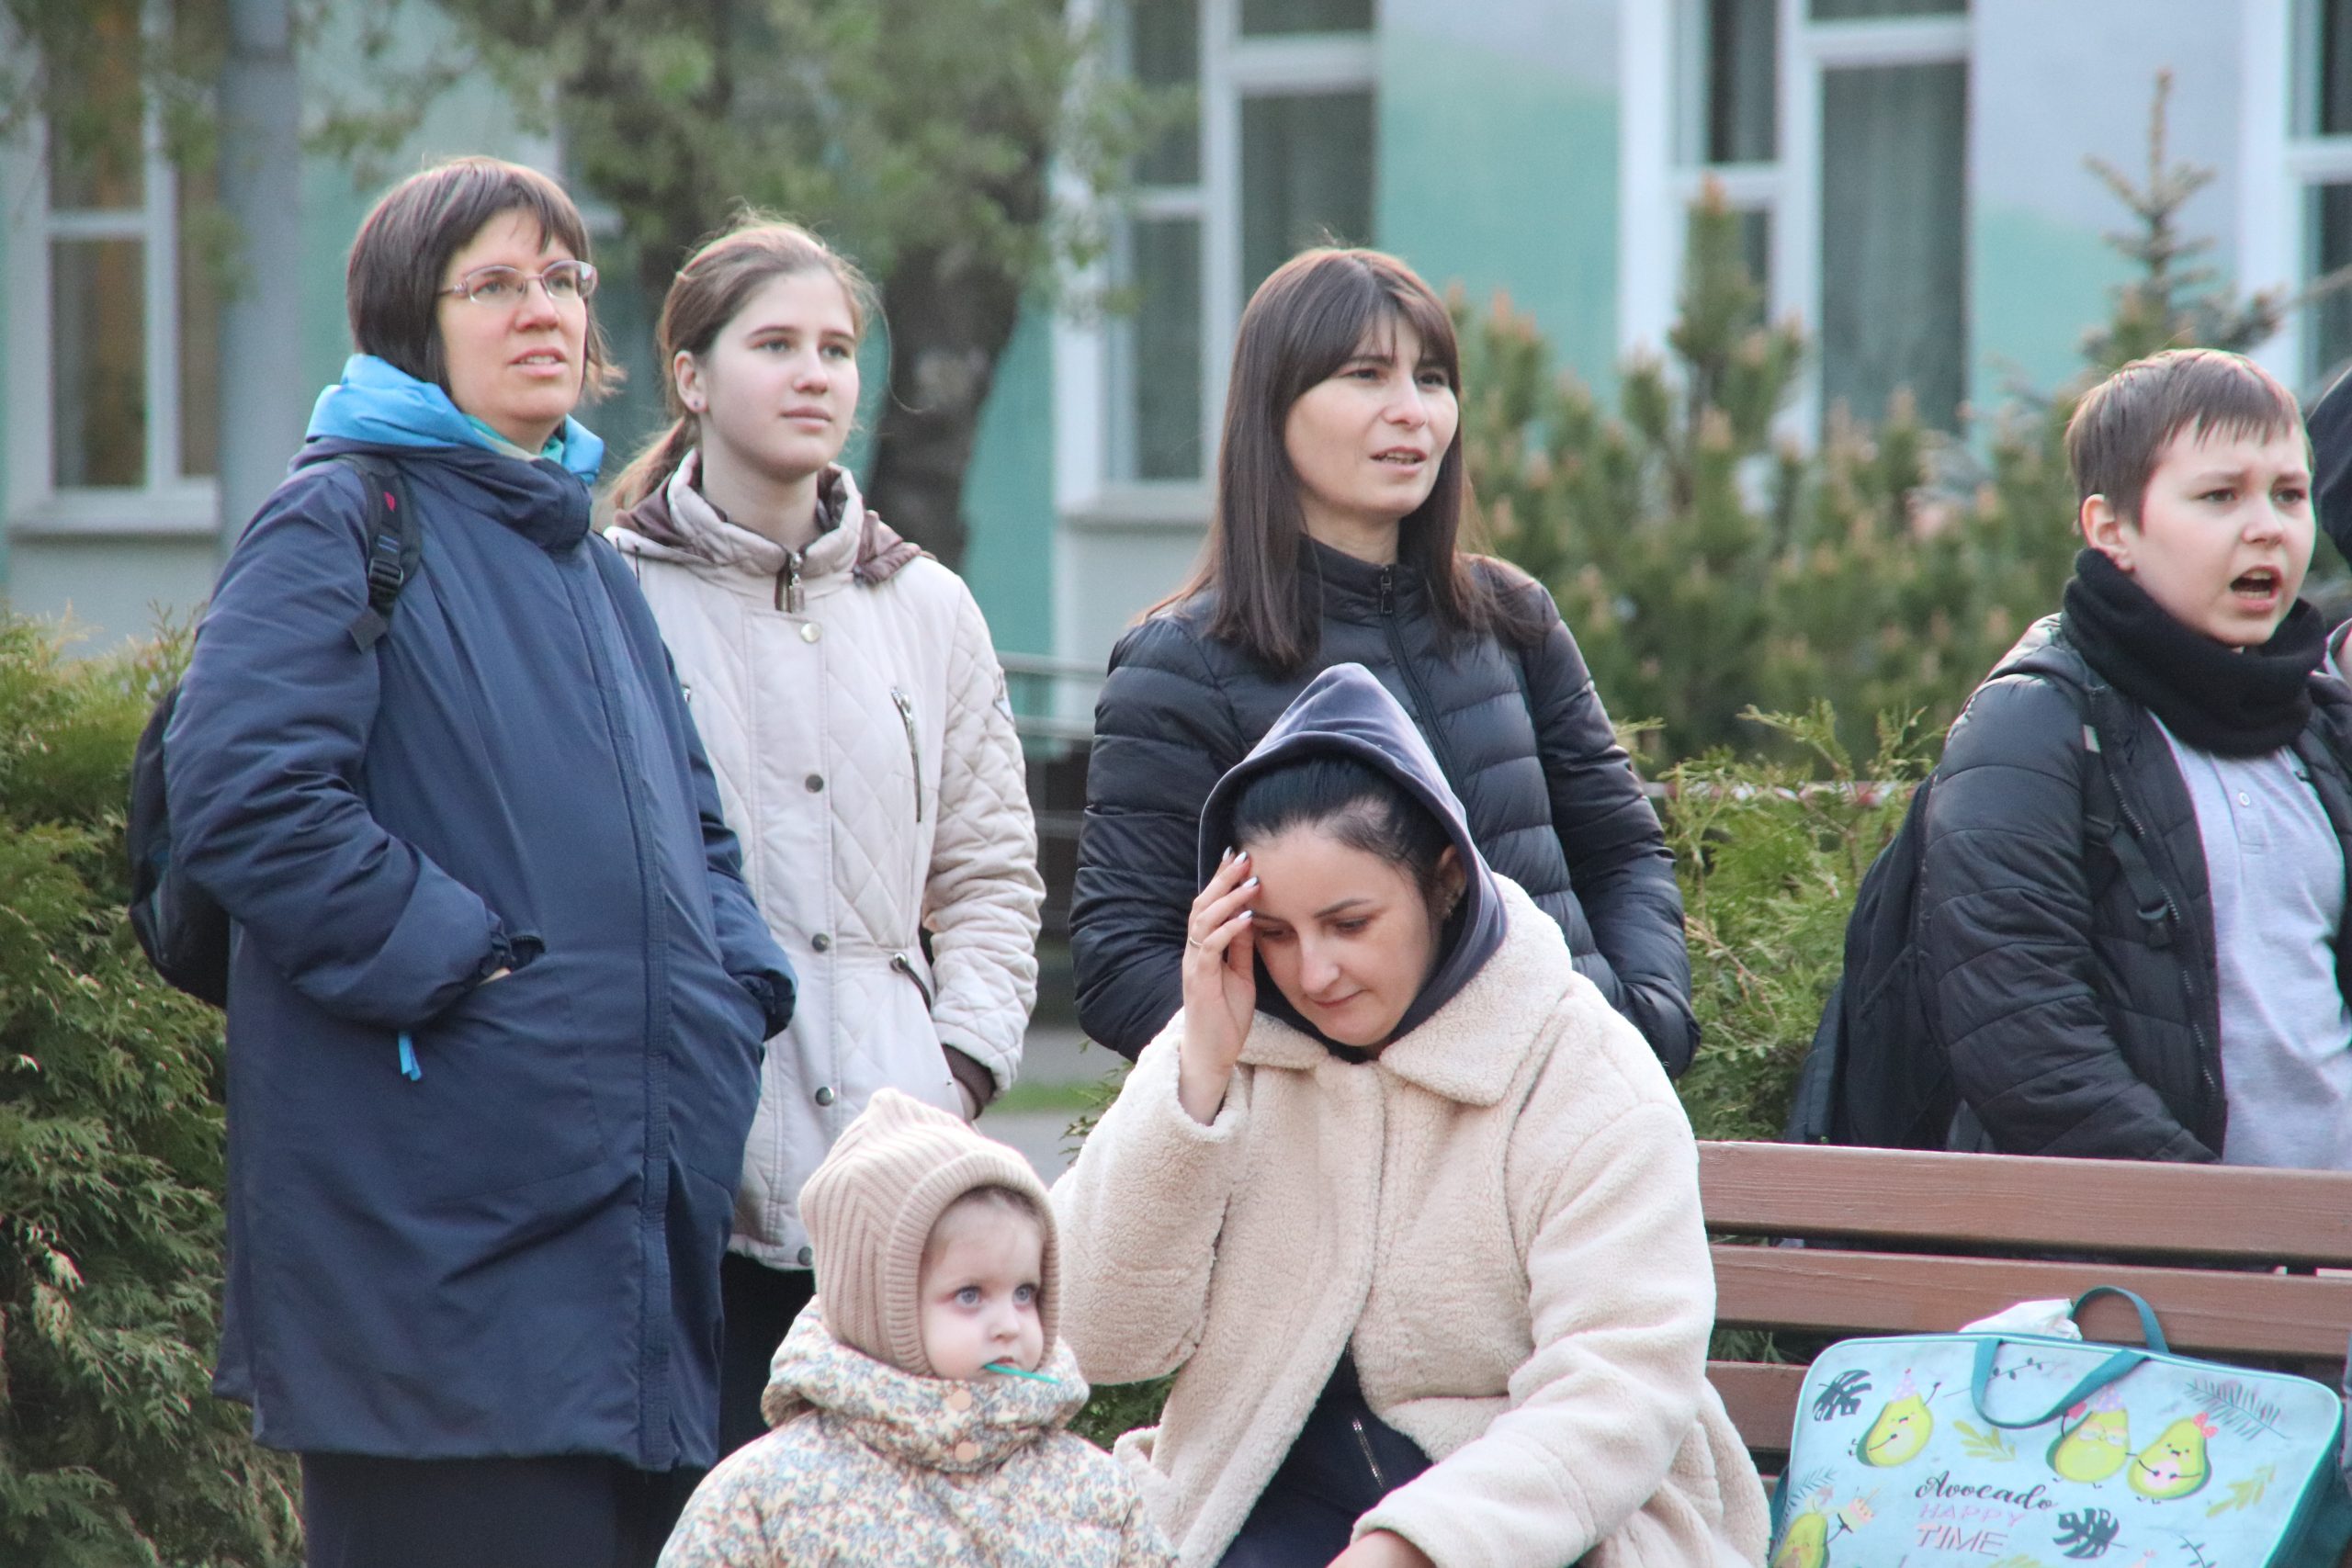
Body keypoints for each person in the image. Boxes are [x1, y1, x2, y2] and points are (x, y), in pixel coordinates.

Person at [163, 157, 796, 1568]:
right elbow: (248, 793)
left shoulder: (588, 560)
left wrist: (734, 990)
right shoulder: (342, 517)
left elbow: (694, 827)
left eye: (563, 279)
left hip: (621, 1249)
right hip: (431, 1266)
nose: (543, 309)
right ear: (413, 320)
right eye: (495, 283)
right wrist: (472, 971)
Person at [1052, 663, 1769, 1568]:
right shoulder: (1227, 1044)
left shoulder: (1581, 1070)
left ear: (1446, 879)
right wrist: (1196, 1074)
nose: (1312, 973)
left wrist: (1418, 1545)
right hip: (1259, 1499)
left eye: (1349, 923)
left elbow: (1617, 1390)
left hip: (1539, 1523)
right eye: (1274, 934)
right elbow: (1090, 1332)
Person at [605, 218, 1043, 1453]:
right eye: (776, 345)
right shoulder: (607, 593)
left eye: (837, 349)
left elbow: (993, 875)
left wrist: (955, 1074)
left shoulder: (928, 605)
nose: (814, 375)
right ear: (690, 378)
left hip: (895, 1176)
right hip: (688, 1179)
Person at [1071, 247, 1694, 1074]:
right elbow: (1123, 961)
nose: (1413, 412)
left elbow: (1623, 851)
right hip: (1349, 1143)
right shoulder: (1184, 663)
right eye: (1367, 375)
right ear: (1274, 406)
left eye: (1431, 379)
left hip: (1572, 1096)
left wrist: (1642, 1021)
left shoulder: (1513, 617)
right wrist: (1346, 1089)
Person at [1918, 347, 2352, 1164]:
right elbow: (2026, 1044)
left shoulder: (2325, 727)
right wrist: (2212, 1221)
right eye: (2220, 495)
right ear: (2111, 529)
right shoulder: (2032, 725)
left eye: (2289, 494)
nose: (2267, 526)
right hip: (2151, 1236)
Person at [658, 1089, 1176, 1568]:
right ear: (878, 1310)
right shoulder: (765, 1495)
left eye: (1025, 1293)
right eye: (969, 1295)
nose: (1008, 1325)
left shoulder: (1093, 1490)